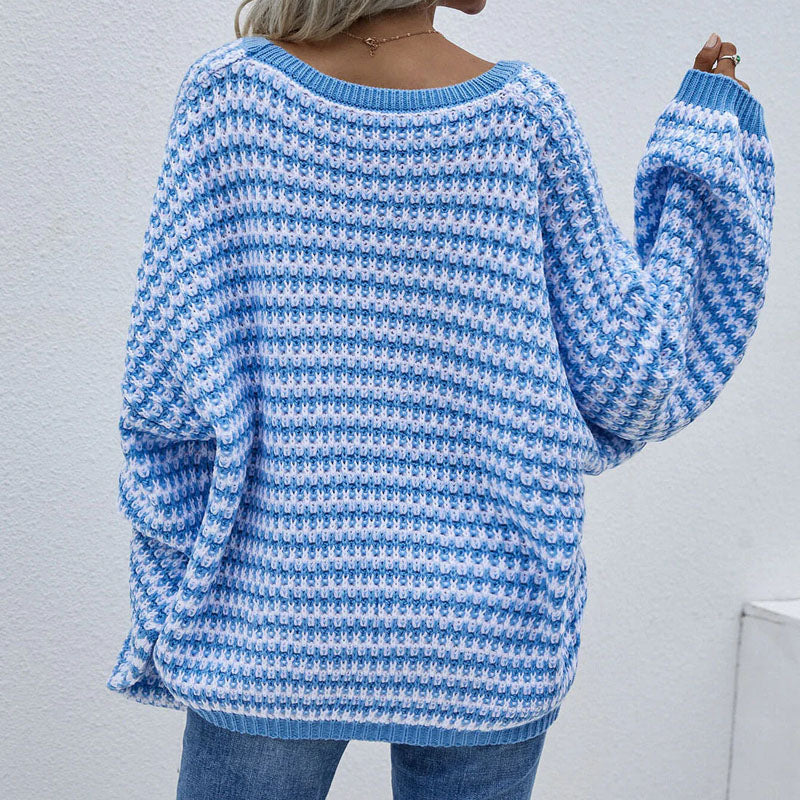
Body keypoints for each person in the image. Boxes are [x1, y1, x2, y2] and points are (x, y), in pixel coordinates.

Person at [106, 1, 774, 798]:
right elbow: (631, 378)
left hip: (267, 622)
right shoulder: (524, 118)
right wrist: (704, 152)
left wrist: (170, 601)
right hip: (487, 630)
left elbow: (167, 396)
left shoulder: (229, 99)